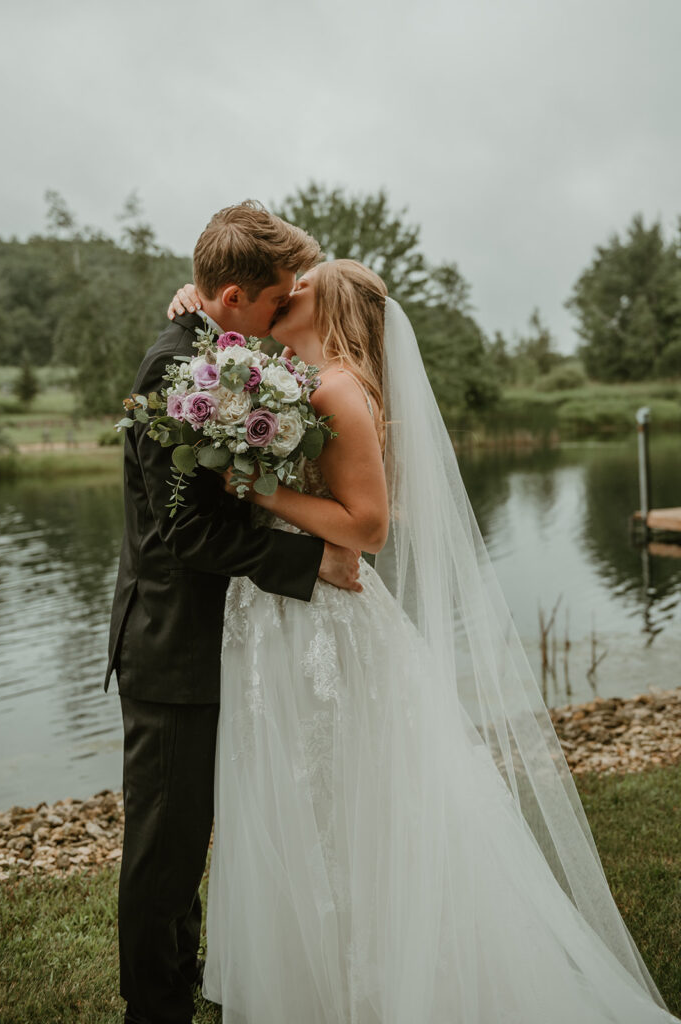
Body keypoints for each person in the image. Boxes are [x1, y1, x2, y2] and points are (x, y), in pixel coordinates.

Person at [167, 260, 677, 1023]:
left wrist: (260, 489)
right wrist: (195, 306)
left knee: (339, 793)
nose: (287, 288)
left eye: (299, 282)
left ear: (326, 302)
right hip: (282, 610)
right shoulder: (294, 375)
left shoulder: (336, 387)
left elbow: (368, 528)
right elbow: (232, 316)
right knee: (305, 794)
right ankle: (314, 978)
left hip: (325, 620)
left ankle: (364, 980)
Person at [105, 202, 363, 1024]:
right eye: (277, 296)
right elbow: (184, 533)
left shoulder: (214, 342)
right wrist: (307, 559)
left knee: (189, 841)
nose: (285, 308)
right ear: (232, 296)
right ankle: (155, 1006)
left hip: (215, 641)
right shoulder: (170, 370)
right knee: (164, 852)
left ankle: (179, 985)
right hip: (171, 645)